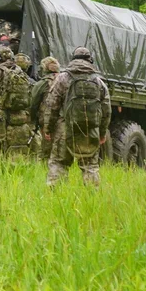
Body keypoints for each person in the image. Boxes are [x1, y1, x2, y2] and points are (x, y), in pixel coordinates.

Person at [44, 47, 111, 186]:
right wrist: (102, 133)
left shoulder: (62, 78)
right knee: (90, 166)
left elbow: (52, 106)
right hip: (90, 129)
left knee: (59, 163)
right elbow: (106, 111)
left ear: (73, 59)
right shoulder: (99, 82)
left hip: (65, 128)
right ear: (90, 60)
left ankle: (56, 196)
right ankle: (92, 197)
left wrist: (48, 128)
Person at [0, 46, 33, 161]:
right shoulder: (19, 71)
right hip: (19, 112)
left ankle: (2, 169)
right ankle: (17, 164)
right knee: (14, 141)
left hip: (0, 114)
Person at [30, 56, 61, 161]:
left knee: (46, 151)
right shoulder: (66, 81)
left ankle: (46, 172)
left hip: (47, 121)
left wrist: (33, 119)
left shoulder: (42, 84)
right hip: (64, 120)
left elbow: (33, 104)